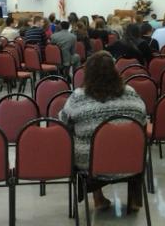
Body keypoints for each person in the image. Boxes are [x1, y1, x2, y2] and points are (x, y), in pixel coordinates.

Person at [59, 51, 147, 211]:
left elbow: (63, 121)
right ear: (114, 71)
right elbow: (142, 119)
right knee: (131, 143)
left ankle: (98, 197)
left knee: (88, 141)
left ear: (88, 73)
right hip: (132, 159)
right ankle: (134, 199)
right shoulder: (130, 92)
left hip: (91, 162)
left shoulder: (78, 97)